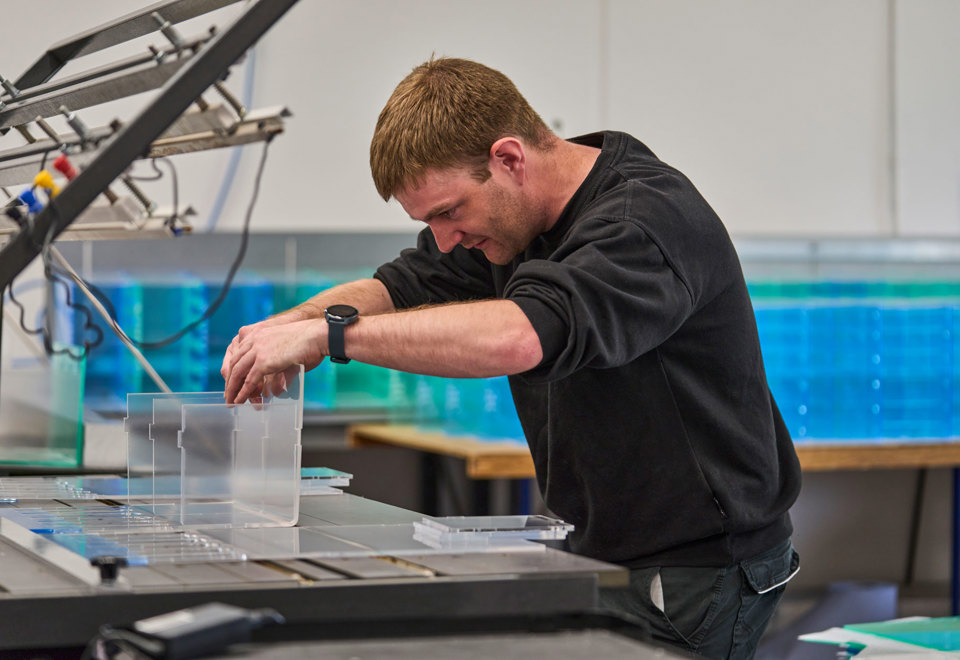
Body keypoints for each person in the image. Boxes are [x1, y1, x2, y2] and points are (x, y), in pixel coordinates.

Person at [221, 57, 801, 659]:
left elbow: (521, 336)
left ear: (509, 158)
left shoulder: (642, 220)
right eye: (428, 221)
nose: (444, 237)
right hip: (606, 549)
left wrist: (329, 337)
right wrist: (287, 325)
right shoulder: (511, 223)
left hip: (696, 569)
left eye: (449, 212)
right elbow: (401, 286)